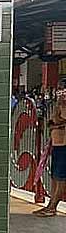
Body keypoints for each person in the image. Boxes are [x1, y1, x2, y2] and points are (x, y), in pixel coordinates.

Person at [36, 87, 66, 217]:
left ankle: (53, 206)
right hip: (57, 143)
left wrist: (55, 123)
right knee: (55, 176)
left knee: (60, 177)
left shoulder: (63, 105)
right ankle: (50, 205)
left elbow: (59, 120)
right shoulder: (59, 104)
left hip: (63, 145)